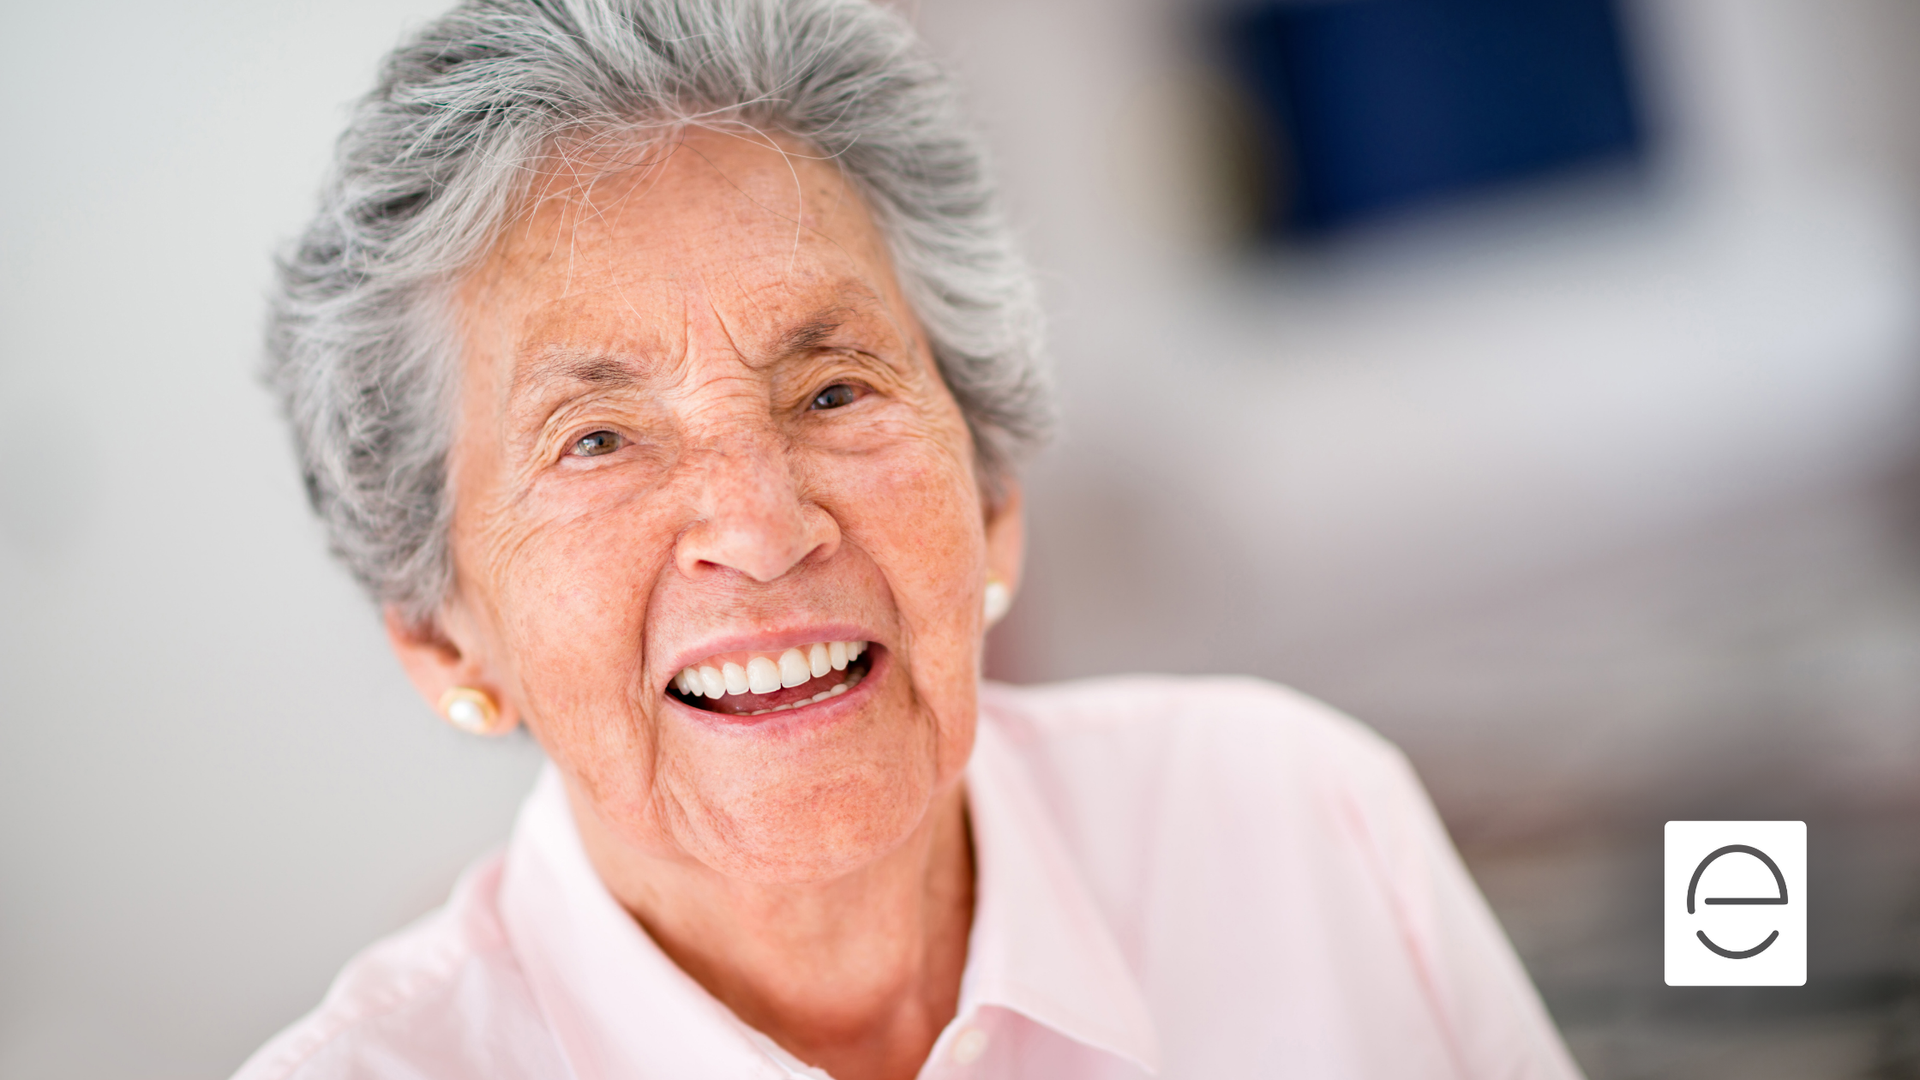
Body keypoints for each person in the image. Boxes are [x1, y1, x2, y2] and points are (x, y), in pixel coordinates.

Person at [238, 1, 1584, 1077]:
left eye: (834, 390)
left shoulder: (1301, 820)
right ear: (437, 631)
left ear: (992, 493)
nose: (763, 530)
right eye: (597, 439)